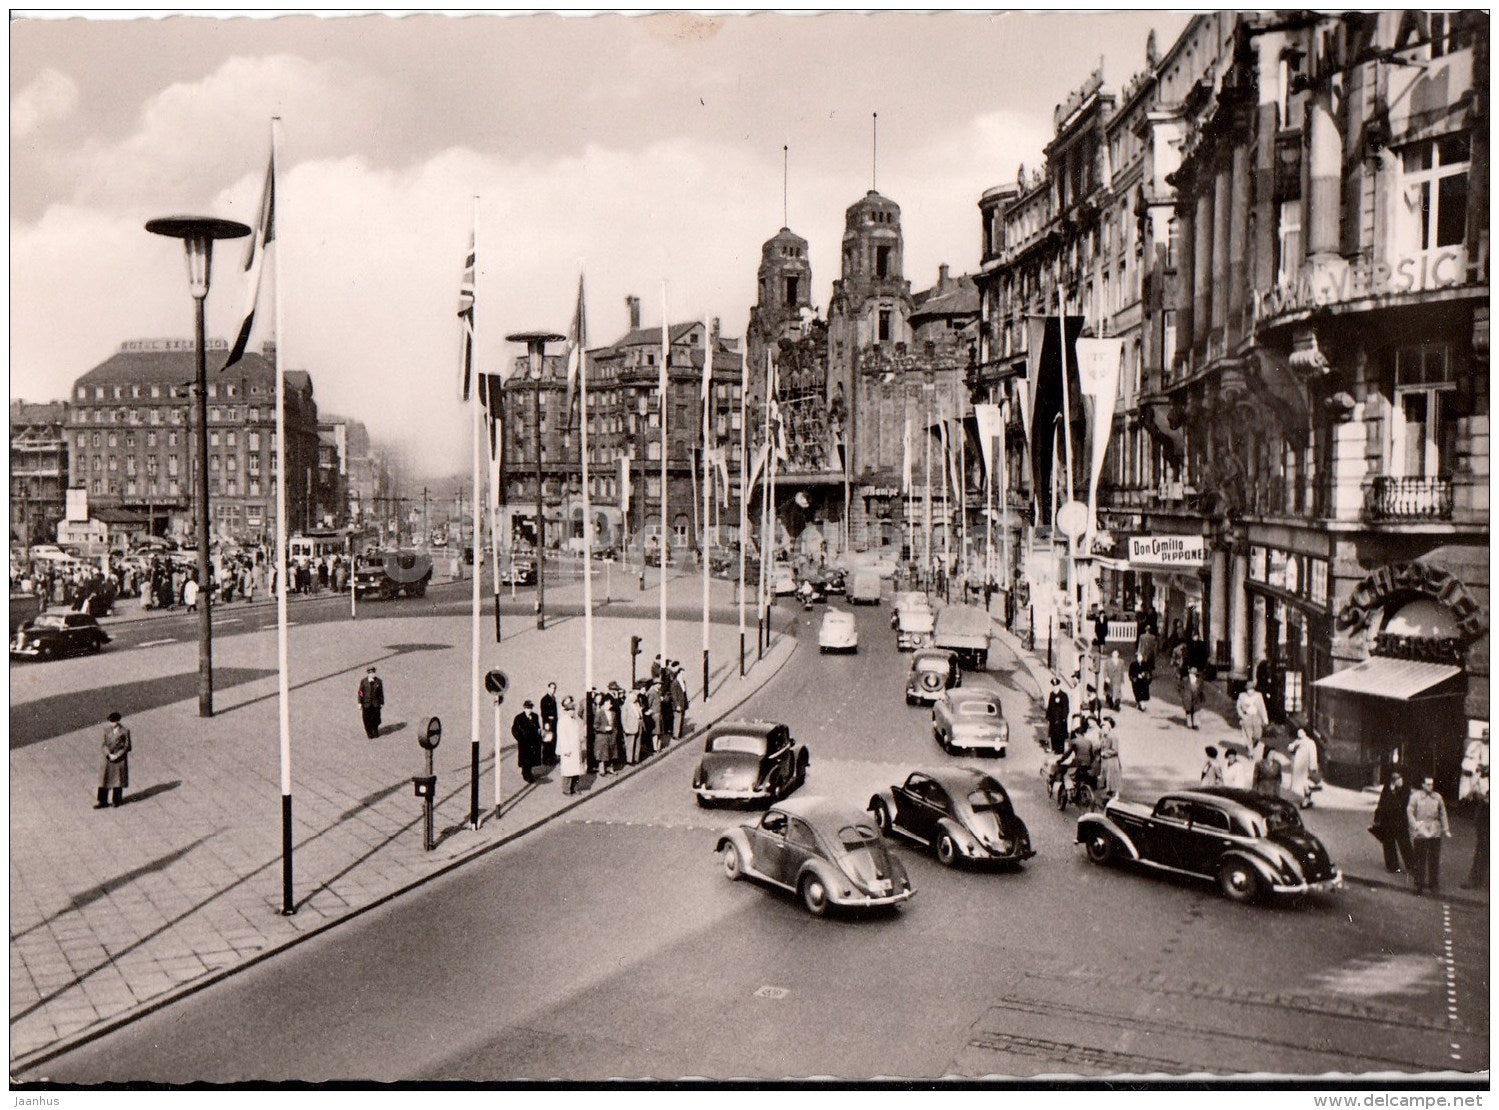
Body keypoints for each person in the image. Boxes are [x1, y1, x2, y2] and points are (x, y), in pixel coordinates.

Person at [1407, 775, 1451, 896]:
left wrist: (1445, 828)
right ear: (1422, 785)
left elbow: (1442, 813)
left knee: (1434, 859)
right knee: (1420, 859)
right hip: (1421, 830)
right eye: (1427, 784)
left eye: (1431, 784)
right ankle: (1418, 884)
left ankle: (1433, 884)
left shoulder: (1438, 797)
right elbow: (1410, 811)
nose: (1430, 786)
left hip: (1434, 831)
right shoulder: (1415, 797)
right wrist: (1414, 824)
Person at [1460, 730, 1489, 890]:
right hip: (1485, 805)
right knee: (1482, 843)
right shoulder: (1476, 747)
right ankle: (1475, 878)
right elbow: (1468, 767)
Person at [1370, 769, 1413, 875]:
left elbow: (1401, 804)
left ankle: (1412, 866)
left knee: (1404, 844)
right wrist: (1377, 817)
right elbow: (1381, 803)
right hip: (1387, 820)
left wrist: (1393, 793)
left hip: (1399, 821)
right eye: (1395, 778)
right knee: (1388, 843)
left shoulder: (1405, 789)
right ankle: (1392, 866)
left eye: (1399, 778)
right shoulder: (1387, 787)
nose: (1398, 780)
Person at [96, 711, 132, 809]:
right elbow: (103, 744)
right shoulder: (106, 730)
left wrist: (117, 755)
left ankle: (116, 800)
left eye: (114, 721)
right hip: (108, 759)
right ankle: (102, 801)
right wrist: (109, 754)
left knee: (118, 780)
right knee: (104, 780)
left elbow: (127, 746)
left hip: (119, 759)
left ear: (118, 721)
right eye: (111, 721)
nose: (113, 723)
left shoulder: (124, 731)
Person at [556, 696, 585, 795]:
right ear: (566, 711)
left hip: (576, 748)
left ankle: (575, 788)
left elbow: (578, 733)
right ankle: (566, 789)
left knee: (576, 771)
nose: (572, 712)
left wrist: (581, 740)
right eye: (570, 710)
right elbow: (562, 737)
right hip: (568, 750)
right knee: (568, 771)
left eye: (573, 710)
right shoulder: (563, 721)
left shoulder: (574, 721)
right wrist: (566, 750)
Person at [1286, 728, 1320, 808]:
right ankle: (1304, 799)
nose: (1299, 733)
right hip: (1297, 765)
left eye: (1301, 732)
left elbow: (1313, 755)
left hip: (1305, 766)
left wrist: (1313, 766)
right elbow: (1290, 748)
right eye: (1298, 732)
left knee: (1306, 783)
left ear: (1305, 733)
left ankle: (1306, 799)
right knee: (1299, 783)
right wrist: (1293, 747)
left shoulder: (1310, 742)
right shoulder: (1297, 741)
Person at [511, 700, 543, 784]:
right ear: (524, 708)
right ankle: (526, 775)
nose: (529, 710)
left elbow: (538, 727)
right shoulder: (519, 718)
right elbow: (514, 730)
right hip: (524, 743)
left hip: (533, 742)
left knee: (532, 759)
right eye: (527, 708)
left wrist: (539, 736)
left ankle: (529, 772)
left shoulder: (535, 716)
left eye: (530, 708)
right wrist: (520, 739)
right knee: (525, 760)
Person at [1236, 680, 1269, 756]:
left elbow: (1262, 707)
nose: (1250, 691)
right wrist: (1242, 715)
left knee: (1257, 736)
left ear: (1254, 689)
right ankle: (1250, 752)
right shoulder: (1242, 696)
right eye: (1248, 689)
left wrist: (1265, 718)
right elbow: (1238, 707)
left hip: (1257, 717)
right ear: (1246, 689)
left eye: (1251, 689)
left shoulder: (1258, 695)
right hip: (1247, 717)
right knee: (1248, 736)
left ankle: (1252, 745)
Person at [1096, 718, 1122, 805]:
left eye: (1104, 727)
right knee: (1106, 779)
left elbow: (1115, 750)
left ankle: (1114, 797)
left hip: (1112, 761)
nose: (1102, 730)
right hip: (1105, 761)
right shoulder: (1104, 736)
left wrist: (1105, 753)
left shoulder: (1113, 737)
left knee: (1112, 779)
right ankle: (1107, 797)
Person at [357, 666, 385, 739]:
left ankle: (375, 730)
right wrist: (360, 702)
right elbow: (360, 692)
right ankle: (369, 733)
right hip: (366, 704)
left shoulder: (379, 681)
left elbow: (380, 693)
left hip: (375, 704)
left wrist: (381, 702)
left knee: (376, 718)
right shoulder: (363, 681)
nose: (373, 674)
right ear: (368, 674)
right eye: (371, 673)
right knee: (366, 719)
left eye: (373, 673)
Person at [1045, 678, 1070, 755]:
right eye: (1053, 686)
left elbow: (1066, 708)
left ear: (1059, 686)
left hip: (1060, 720)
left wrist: (1063, 718)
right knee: (1053, 735)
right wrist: (1048, 716)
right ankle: (1055, 749)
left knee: (1060, 735)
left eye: (1056, 686)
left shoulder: (1063, 695)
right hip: (1053, 719)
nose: (1054, 687)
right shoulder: (1052, 694)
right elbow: (1049, 706)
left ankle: (1060, 750)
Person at [621, 689, 644, 764]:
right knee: (630, 744)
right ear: (629, 696)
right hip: (630, 727)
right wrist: (625, 728)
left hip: (638, 725)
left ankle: (636, 759)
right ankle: (629, 760)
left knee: (638, 743)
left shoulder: (637, 704)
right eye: (633, 696)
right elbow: (623, 718)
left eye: (635, 696)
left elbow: (640, 714)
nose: (635, 697)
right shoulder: (626, 706)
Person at [539, 682, 559, 765]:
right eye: (551, 688)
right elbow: (543, 712)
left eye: (554, 688)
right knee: (547, 740)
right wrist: (546, 722)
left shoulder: (553, 698)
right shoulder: (544, 699)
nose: (553, 690)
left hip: (554, 722)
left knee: (553, 739)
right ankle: (545, 759)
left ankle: (551, 757)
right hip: (547, 722)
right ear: (548, 688)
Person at [670, 664, 690, 738]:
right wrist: (677, 705)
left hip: (683, 703)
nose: (683, 675)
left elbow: (684, 693)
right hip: (678, 704)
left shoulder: (683, 682)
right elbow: (674, 696)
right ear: (678, 673)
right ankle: (675, 735)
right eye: (682, 674)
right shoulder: (675, 683)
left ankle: (679, 734)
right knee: (677, 719)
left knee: (681, 719)